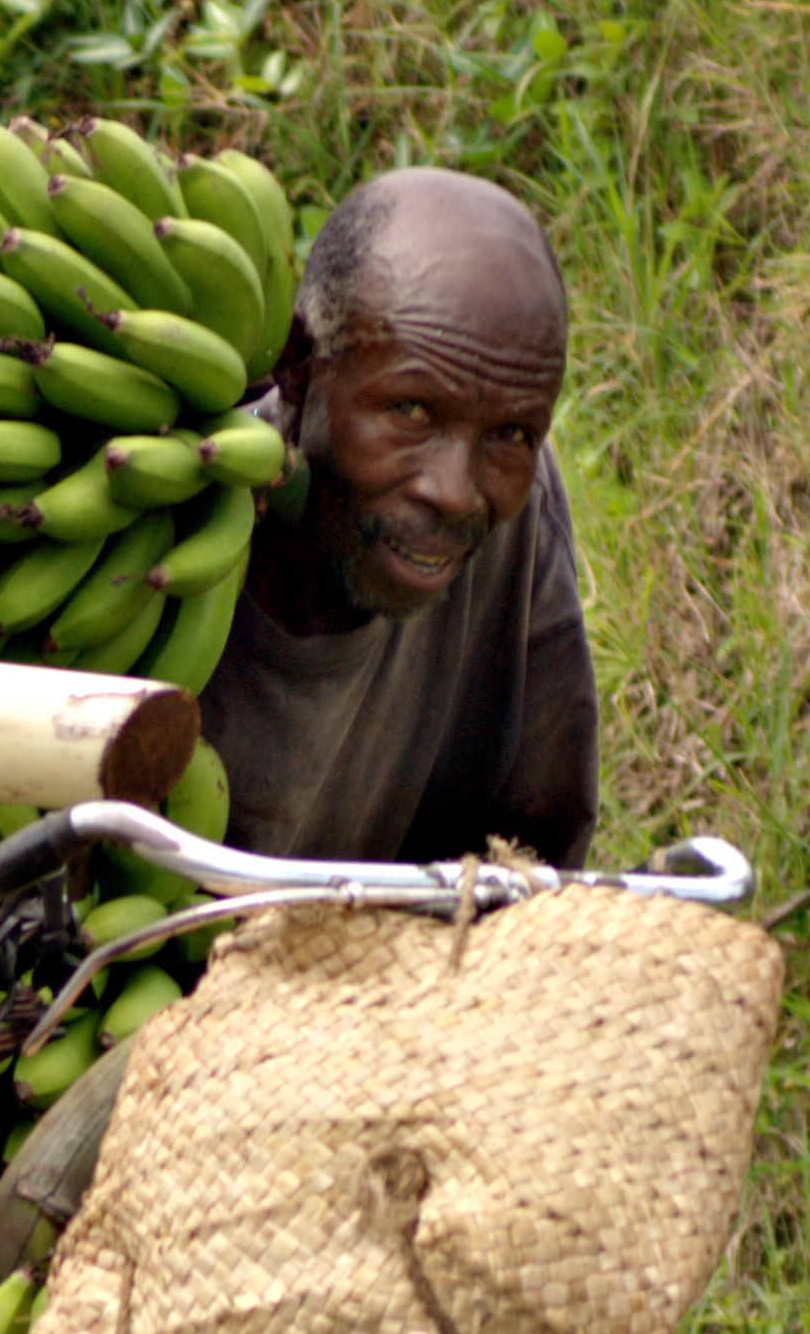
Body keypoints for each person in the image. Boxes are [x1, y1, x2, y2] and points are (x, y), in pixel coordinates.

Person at [201, 167, 598, 870]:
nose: (453, 492)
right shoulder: (154, 533)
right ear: (300, 364)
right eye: (410, 412)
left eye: (510, 434)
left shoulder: (517, 517)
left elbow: (538, 857)